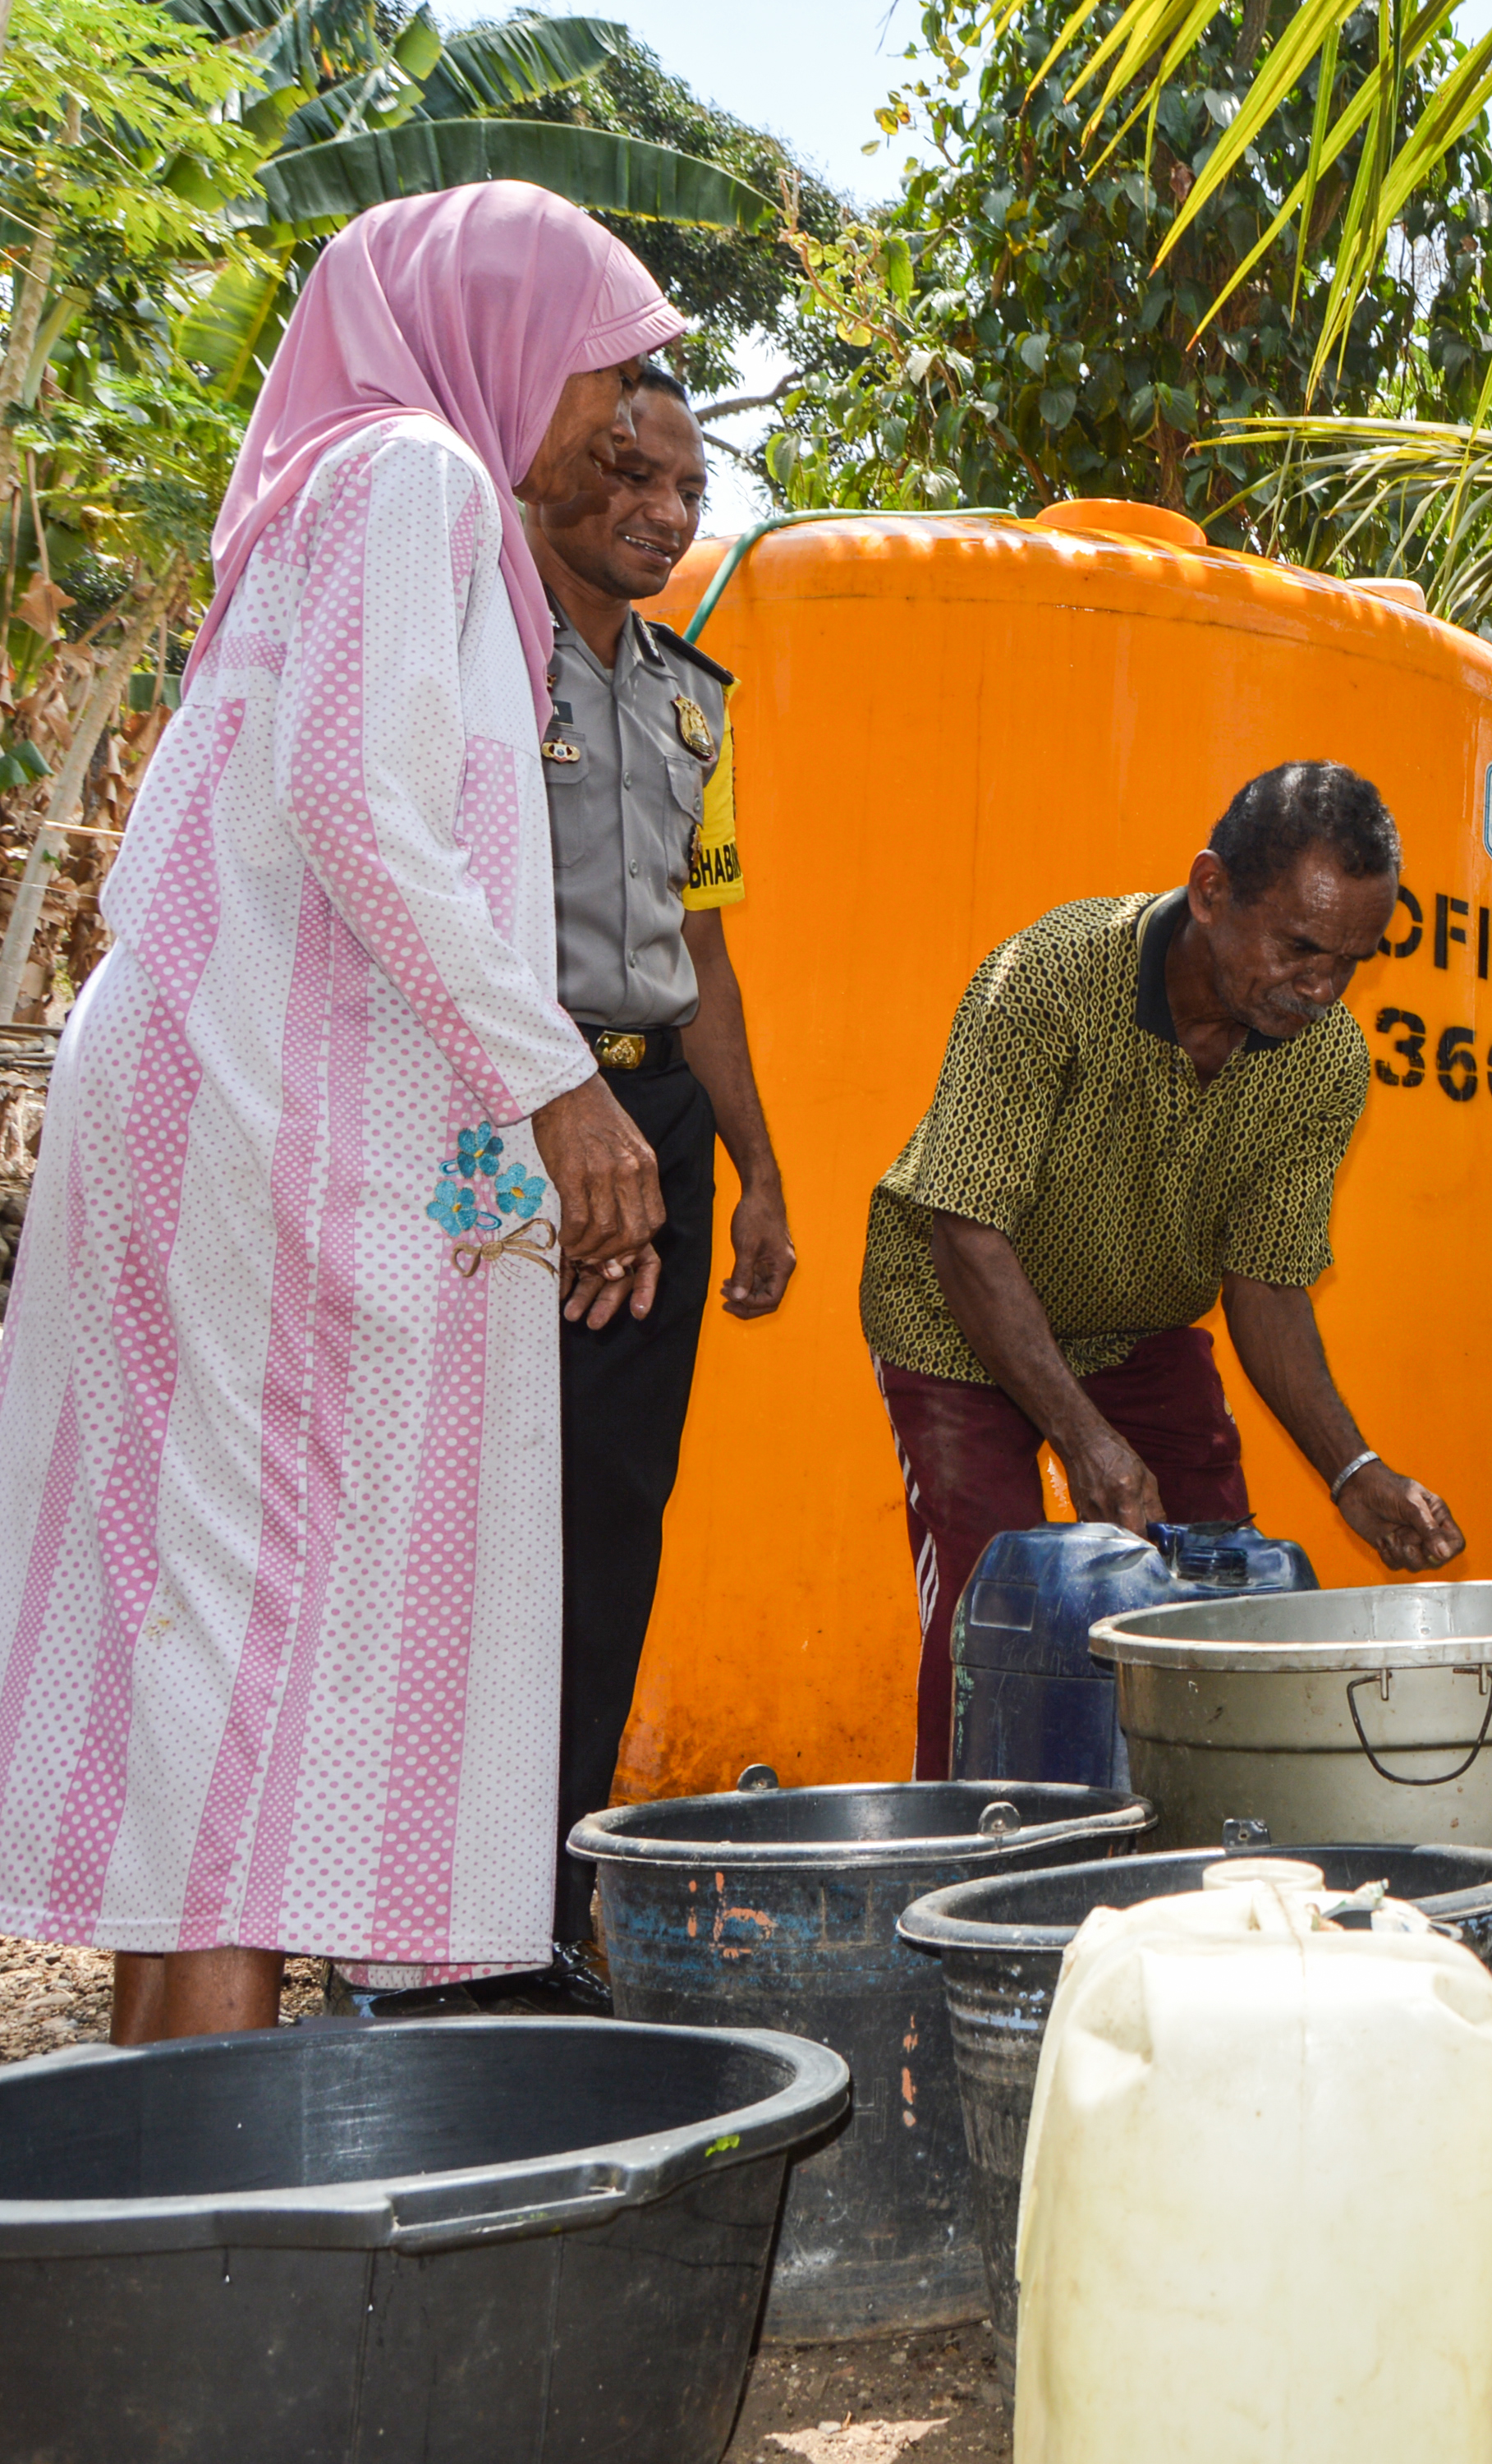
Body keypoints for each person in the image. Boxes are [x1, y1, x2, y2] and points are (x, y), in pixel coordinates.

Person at [0, 184, 683, 2041]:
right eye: (607, 370)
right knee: (268, 1633)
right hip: (267, 1127)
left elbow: (375, 889)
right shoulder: (415, 475)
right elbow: (355, 808)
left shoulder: (358, 491)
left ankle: (169, 2129)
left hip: (249, 1098)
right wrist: (561, 1097)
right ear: (498, 326)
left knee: (232, 1632)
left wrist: (508, 1197)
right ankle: (203, 2184)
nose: (622, 419)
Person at [865, 763, 1465, 1776]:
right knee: (996, 1601)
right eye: (1300, 947)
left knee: (1221, 1597)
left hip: (1136, 1330)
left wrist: (1354, 1472)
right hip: (956, 1318)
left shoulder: (1325, 1061)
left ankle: (1190, 1857)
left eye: (1349, 963)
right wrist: (1085, 1440)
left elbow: (1266, 1282)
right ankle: (972, 1857)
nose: (1320, 989)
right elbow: (965, 1231)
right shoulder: (1049, 978)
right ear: (1211, 891)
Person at [523, 368, 796, 1986]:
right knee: (480, 1512)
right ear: (545, 472)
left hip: (664, 1134)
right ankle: (422, 1910)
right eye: (630, 475)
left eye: (689, 489)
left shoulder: (700, 699)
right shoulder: (487, 657)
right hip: (521, 1120)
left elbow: (702, 950)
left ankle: (544, 1910)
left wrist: (757, 1167)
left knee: (615, 1515)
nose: (666, 513)